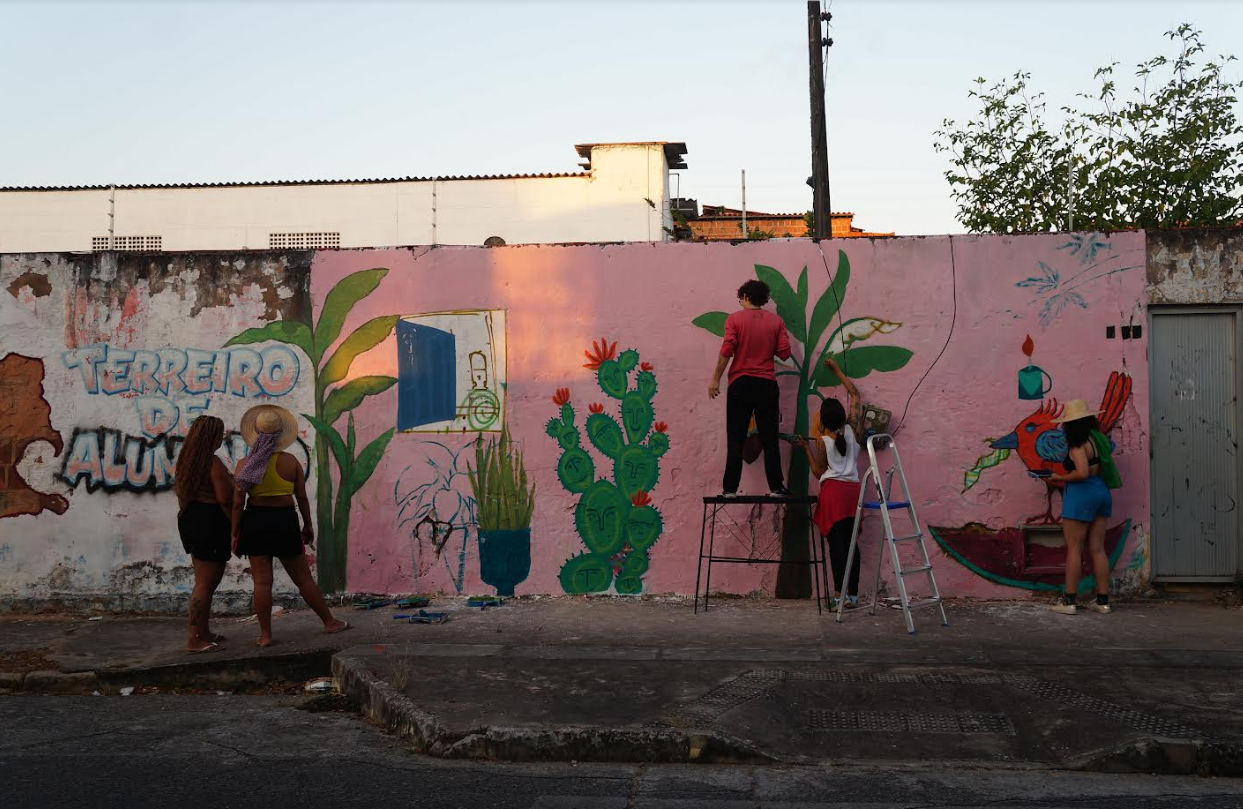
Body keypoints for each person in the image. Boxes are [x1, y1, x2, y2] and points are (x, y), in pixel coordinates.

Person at [232, 404, 350, 646]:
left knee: (262, 582)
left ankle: (265, 635)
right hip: (284, 521)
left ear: (255, 431)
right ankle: (329, 622)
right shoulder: (291, 462)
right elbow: (302, 498)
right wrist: (308, 525)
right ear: (280, 433)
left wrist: (235, 532)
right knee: (304, 579)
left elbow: (237, 503)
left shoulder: (245, 465)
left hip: (254, 521)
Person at [708, 279, 792, 497]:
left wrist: (715, 378)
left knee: (735, 436)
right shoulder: (776, 322)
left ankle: (730, 489)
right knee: (770, 437)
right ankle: (776, 487)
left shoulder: (734, 320)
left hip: (740, 384)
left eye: (740, 298)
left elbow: (727, 350)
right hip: (766, 384)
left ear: (745, 297)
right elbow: (784, 353)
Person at [795, 357, 863, 610]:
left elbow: (817, 471)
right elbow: (854, 394)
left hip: (833, 494)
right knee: (852, 545)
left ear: (823, 420)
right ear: (844, 416)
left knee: (837, 547)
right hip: (854, 493)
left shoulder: (822, 440)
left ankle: (839, 596)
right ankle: (853, 596)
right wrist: (836, 370)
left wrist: (805, 448)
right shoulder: (853, 430)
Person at [1048, 399, 1120, 616]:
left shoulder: (1078, 445)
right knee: (1097, 548)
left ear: (1069, 424)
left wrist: (1058, 477)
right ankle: (1103, 601)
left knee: (1074, 548)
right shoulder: (1098, 441)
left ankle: (1069, 601)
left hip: (1081, 495)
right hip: (1102, 493)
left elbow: (1081, 473)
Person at [173, 415, 234, 653]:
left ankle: (203, 631)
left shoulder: (187, 461)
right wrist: (236, 526)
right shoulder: (213, 462)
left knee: (205, 581)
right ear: (212, 437)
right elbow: (225, 499)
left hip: (192, 518)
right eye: (220, 434)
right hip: (211, 521)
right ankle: (194, 639)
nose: (222, 438)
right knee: (206, 584)